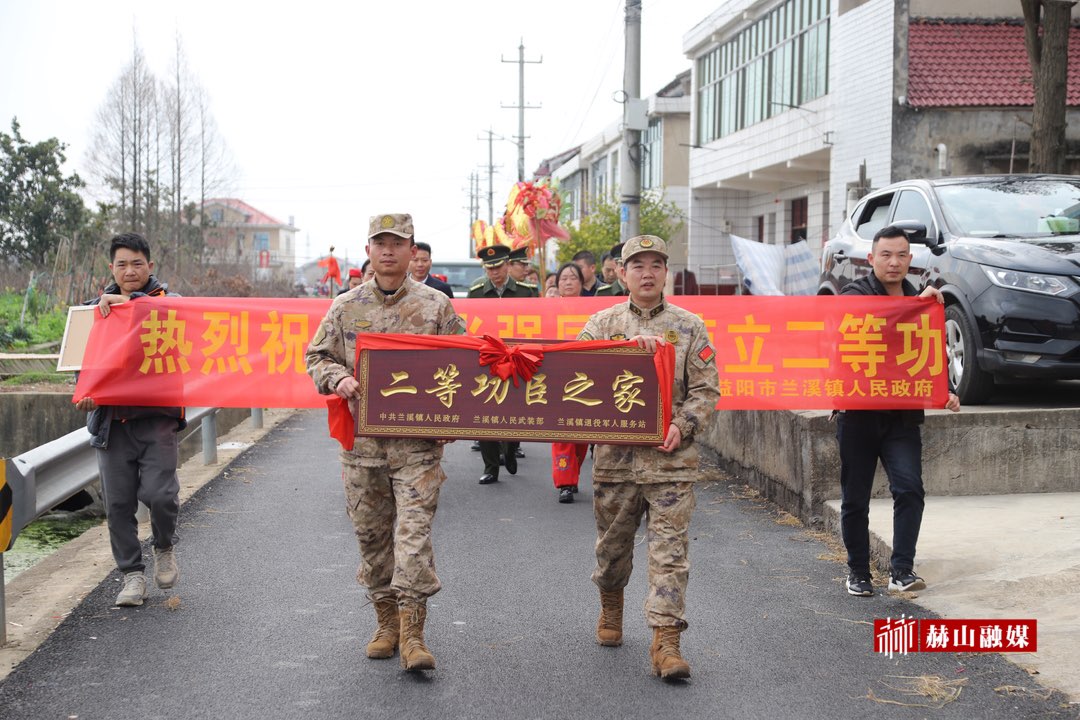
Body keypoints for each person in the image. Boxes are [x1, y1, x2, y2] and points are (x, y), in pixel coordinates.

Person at [306, 213, 465, 672]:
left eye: (398, 243)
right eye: (381, 243)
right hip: (363, 448)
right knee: (372, 540)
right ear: (369, 250)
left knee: (412, 540)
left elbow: (464, 361)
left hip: (418, 448)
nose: (389, 251)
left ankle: (414, 633)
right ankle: (385, 621)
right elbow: (316, 357)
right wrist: (338, 378)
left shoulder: (437, 307)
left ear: (413, 250)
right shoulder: (344, 306)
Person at [577, 234, 719, 679]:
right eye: (637, 265)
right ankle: (611, 604)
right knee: (613, 550)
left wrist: (683, 424)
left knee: (670, 552)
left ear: (665, 272)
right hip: (615, 462)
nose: (647, 273)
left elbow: (705, 389)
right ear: (621, 273)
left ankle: (667, 643)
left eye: (655, 264)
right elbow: (573, 380)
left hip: (671, 463)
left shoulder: (690, 326)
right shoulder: (601, 324)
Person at [836, 224, 961, 597]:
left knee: (910, 489)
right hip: (857, 413)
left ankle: (901, 570)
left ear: (911, 258)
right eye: (886, 255)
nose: (894, 262)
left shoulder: (920, 300)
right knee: (855, 499)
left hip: (902, 416)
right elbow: (866, 323)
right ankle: (858, 571)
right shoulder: (854, 293)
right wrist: (915, 305)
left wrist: (945, 391)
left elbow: (930, 354)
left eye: (902, 255)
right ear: (871, 259)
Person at [74, 232, 185, 608]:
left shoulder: (172, 305)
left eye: (137, 263)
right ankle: (132, 576)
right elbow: (81, 367)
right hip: (111, 425)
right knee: (118, 505)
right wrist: (85, 392)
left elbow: (180, 324)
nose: (130, 270)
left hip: (157, 420)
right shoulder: (94, 312)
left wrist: (130, 304)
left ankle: (164, 546)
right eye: (122, 264)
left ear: (150, 266)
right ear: (111, 268)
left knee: (160, 495)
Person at [467, 244, 537, 484]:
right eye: (489, 268)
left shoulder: (527, 292)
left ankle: (510, 449)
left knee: (514, 408)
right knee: (486, 409)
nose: (494, 272)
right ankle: (491, 467)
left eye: (498, 267)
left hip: (517, 356)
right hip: (487, 357)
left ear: (507, 265)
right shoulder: (476, 292)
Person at [549, 263, 590, 503]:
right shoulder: (547, 309)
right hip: (556, 376)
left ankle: (572, 472)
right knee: (561, 431)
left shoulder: (595, 311)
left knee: (581, 433)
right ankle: (565, 482)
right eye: (563, 278)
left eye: (573, 278)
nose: (567, 282)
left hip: (585, 378)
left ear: (582, 284)